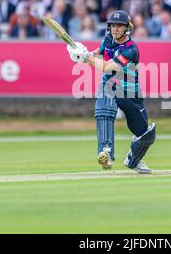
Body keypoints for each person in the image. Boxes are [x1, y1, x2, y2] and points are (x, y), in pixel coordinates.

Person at [66, 10, 156, 173]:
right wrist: (82, 52)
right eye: (113, 25)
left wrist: (86, 58)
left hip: (130, 93)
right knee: (104, 111)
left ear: (127, 28)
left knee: (145, 135)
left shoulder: (131, 50)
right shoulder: (108, 39)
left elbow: (107, 66)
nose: (115, 29)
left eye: (119, 26)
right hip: (109, 85)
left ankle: (134, 160)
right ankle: (106, 151)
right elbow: (98, 53)